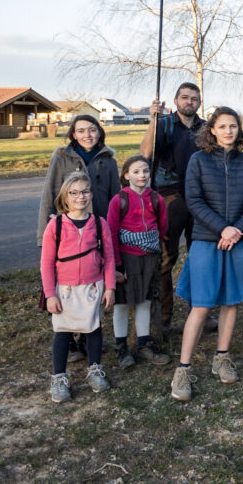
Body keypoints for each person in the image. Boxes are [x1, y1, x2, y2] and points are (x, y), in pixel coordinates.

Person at [170, 107, 243, 402]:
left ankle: (221, 356)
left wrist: (235, 229)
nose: (228, 131)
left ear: (239, 130)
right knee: (201, 305)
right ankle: (183, 369)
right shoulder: (198, 161)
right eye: (222, 126)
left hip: (238, 240)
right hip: (207, 240)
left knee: (231, 302)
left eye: (233, 126)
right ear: (212, 129)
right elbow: (194, 200)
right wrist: (222, 228)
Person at [38, 113, 120, 362]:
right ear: (73, 134)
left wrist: (115, 235)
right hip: (69, 230)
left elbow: (116, 197)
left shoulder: (108, 159)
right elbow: (49, 193)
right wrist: (45, 233)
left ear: (100, 132)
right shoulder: (62, 157)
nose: (87, 135)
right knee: (67, 285)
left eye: (92, 130)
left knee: (91, 284)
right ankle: (71, 338)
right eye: (81, 130)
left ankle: (88, 335)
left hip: (97, 229)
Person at [41, 171, 116, 402]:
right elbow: (46, 263)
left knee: (93, 329)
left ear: (91, 194)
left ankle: (94, 369)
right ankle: (60, 377)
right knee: (62, 333)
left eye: (85, 191)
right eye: (74, 193)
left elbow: (110, 257)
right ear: (65, 197)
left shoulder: (99, 223)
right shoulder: (56, 226)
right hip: (65, 290)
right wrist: (50, 294)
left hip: (93, 287)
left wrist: (110, 287)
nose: (80, 197)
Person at [139, 82, 204, 337]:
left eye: (194, 98)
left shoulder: (205, 128)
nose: (189, 102)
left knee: (200, 256)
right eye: (185, 97)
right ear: (176, 100)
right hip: (169, 197)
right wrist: (153, 118)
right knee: (167, 258)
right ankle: (163, 317)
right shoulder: (164, 124)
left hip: (199, 197)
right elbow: (146, 152)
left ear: (199, 102)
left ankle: (199, 312)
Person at [106, 155, 171, 370]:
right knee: (122, 303)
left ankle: (144, 345)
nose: (141, 175)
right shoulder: (119, 200)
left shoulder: (156, 199)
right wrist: (116, 265)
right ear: (126, 176)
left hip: (149, 258)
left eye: (145, 171)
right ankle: (121, 347)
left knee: (144, 300)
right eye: (135, 171)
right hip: (125, 258)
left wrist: (150, 247)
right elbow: (112, 232)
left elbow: (162, 227)